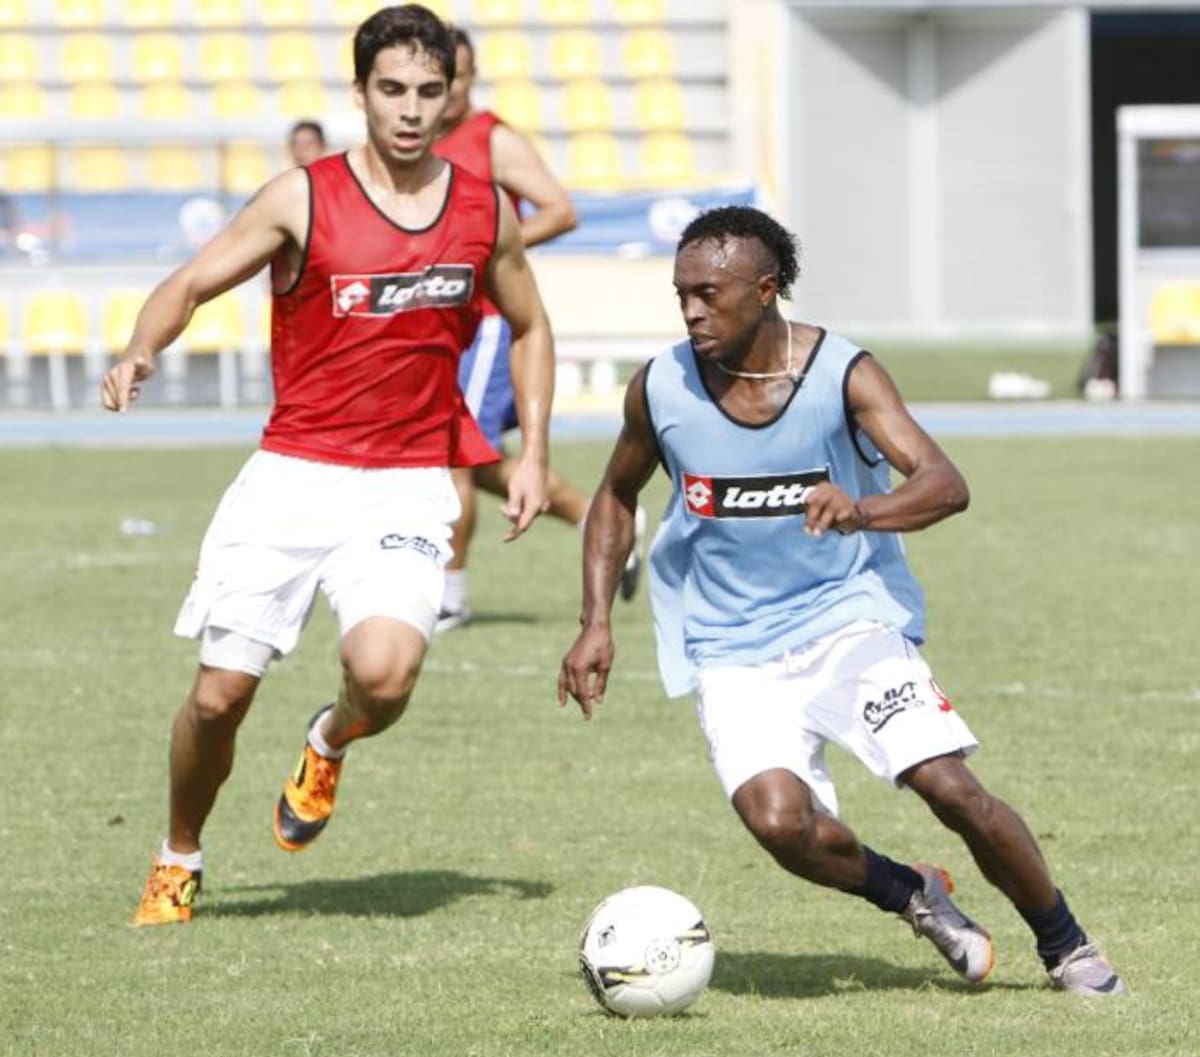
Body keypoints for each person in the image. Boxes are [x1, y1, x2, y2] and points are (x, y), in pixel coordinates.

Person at [558, 205, 1124, 997]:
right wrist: (594, 623)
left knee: (949, 786)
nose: (690, 310)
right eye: (681, 293)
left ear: (767, 290)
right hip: (729, 645)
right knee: (780, 826)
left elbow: (943, 482)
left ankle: (1067, 945)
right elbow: (615, 495)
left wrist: (862, 509)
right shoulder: (662, 388)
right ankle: (912, 893)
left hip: (847, 618)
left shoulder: (842, 372)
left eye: (708, 294)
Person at [103, 4, 555, 927]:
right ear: (360, 92)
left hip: (407, 479)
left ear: (451, 96)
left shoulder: (480, 208)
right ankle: (178, 853)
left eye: (430, 91)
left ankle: (328, 736)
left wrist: (537, 451)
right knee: (219, 697)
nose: (411, 109)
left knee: (384, 678)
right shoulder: (301, 196)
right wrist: (139, 349)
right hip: (292, 476)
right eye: (392, 89)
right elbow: (191, 281)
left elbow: (534, 325)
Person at [431, 25, 644, 631]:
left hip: (492, 323)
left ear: (470, 79)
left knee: (452, 453)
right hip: (448, 319)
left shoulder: (492, 140)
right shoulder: (424, 145)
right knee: (467, 454)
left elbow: (561, 208)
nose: (446, 91)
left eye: (458, 77)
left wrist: (488, 249)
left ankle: (450, 595)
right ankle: (601, 521)